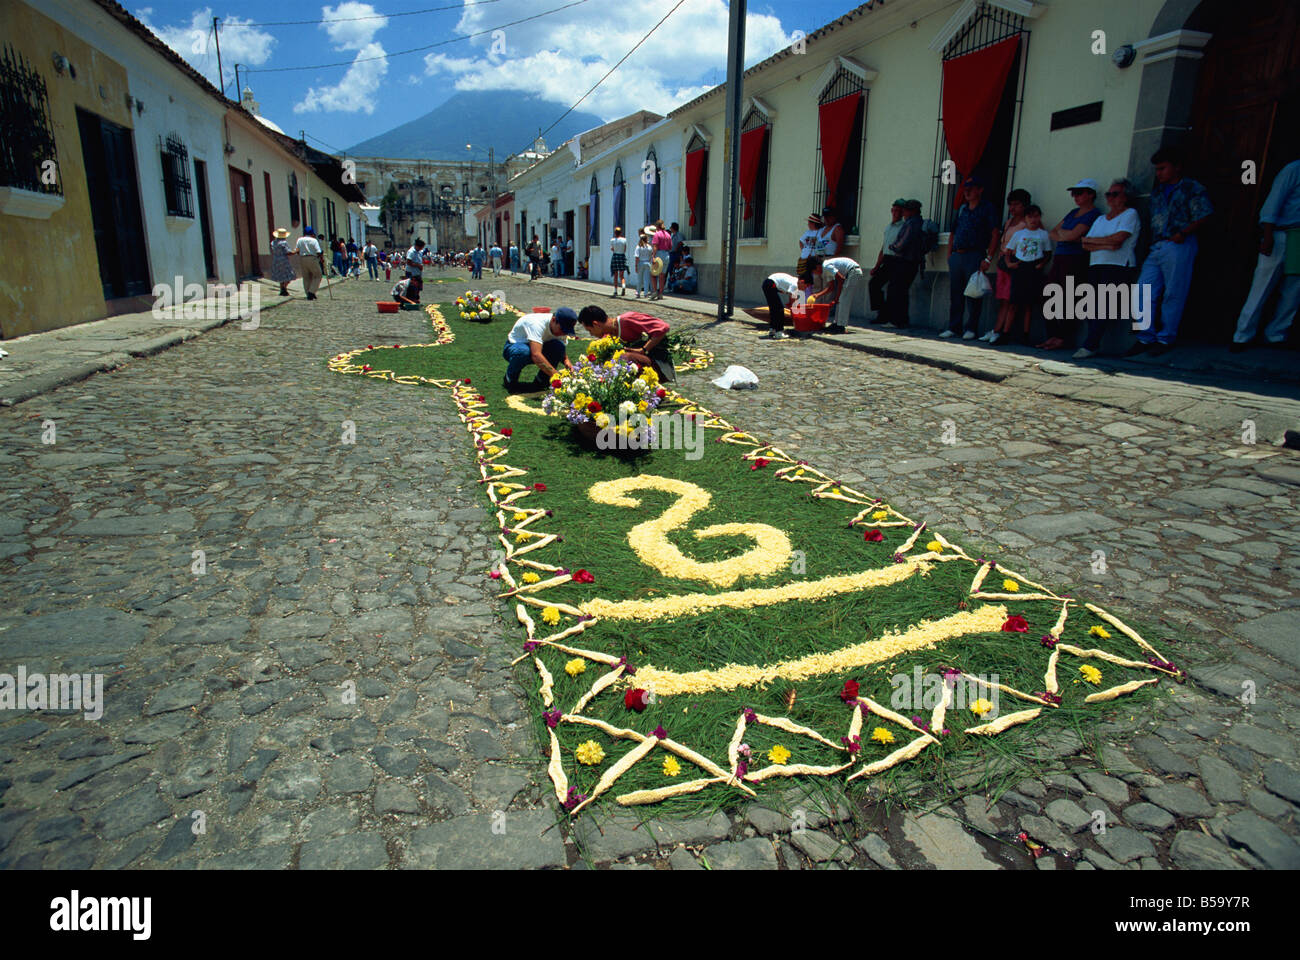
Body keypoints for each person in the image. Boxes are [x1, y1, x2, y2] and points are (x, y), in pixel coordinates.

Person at [1127, 146, 1214, 356]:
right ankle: (1144, 336)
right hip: (1157, 245)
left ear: (1177, 167)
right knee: (1143, 290)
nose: (1159, 173)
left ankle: (1166, 338)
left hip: (1179, 243)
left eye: (1163, 168)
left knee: (1174, 292)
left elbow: (1204, 214)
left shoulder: (1191, 188)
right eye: (1157, 169)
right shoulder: (1157, 192)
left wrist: (1183, 233)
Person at [1231, 158, 1300, 352]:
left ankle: (1276, 334)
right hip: (1281, 233)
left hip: (1299, 235)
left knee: (1293, 290)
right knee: (1262, 285)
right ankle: (1242, 335)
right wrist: (1267, 235)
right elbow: (1273, 203)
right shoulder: (1293, 169)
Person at [1074, 178, 1142, 358]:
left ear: (1125, 197)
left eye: (1115, 194)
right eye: (1108, 194)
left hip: (1118, 265)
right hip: (1096, 264)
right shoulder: (1101, 219)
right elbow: (1084, 243)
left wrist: (1097, 242)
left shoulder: (1130, 214)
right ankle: (1091, 342)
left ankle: (1090, 344)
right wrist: (1106, 243)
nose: (1110, 198)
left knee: (1103, 306)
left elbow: (1119, 240)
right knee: (1091, 305)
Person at [1039, 179, 1103, 350]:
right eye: (1073, 193)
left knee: (1068, 298)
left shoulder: (1093, 214)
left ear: (1090, 194)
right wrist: (1065, 235)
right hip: (1060, 257)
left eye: (1079, 193)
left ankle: (1064, 337)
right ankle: (1052, 335)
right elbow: (1053, 232)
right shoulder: (1072, 212)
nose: (1075, 196)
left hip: (1075, 259)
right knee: (1049, 294)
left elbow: (1074, 235)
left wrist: (1065, 235)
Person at [943, 177, 1000, 340]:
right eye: (965, 189)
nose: (967, 192)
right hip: (957, 255)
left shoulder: (987, 208)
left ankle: (971, 328)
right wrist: (949, 254)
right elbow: (953, 232)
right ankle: (954, 327)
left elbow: (995, 233)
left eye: (971, 188)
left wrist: (988, 258)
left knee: (974, 293)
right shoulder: (962, 209)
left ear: (980, 190)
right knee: (955, 293)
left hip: (975, 254)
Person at [576, 305, 675, 382]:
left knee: (624, 358)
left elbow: (663, 327)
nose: (591, 334)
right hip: (643, 367)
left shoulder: (627, 320)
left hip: (659, 365)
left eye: (590, 330)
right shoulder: (608, 337)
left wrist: (643, 349)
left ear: (595, 324)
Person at [981, 188, 1030, 343]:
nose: (1012, 208)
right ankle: (996, 328)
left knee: (1011, 299)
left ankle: (1004, 332)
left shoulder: (1025, 224)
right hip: (1003, 263)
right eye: (1011, 205)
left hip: (1014, 263)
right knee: (1002, 299)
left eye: (1016, 205)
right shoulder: (1009, 222)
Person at [999, 204, 1053, 344]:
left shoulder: (1043, 234)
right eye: (1030, 216)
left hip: (1034, 268)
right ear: (1025, 218)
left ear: (1039, 217)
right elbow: (1008, 251)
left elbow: (1048, 252)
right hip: (1020, 267)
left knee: (1029, 304)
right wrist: (1009, 263)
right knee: (1013, 303)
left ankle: (1025, 335)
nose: (1033, 219)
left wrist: (1042, 263)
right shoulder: (1019, 234)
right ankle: (1005, 333)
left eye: (1036, 216)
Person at [503, 307, 578, 390]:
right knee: (523, 352)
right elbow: (536, 355)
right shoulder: (536, 324)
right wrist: (556, 375)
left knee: (559, 347)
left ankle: (542, 381)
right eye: (562, 329)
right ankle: (510, 379)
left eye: (566, 331)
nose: (563, 333)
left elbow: (561, 348)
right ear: (553, 320)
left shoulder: (560, 327)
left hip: (538, 346)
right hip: (515, 347)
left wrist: (566, 361)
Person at [883, 200, 925, 326]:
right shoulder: (918, 222)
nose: (903, 213)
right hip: (912, 261)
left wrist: (893, 247)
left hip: (905, 261)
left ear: (911, 211)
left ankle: (897, 320)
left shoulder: (911, 224)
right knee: (901, 290)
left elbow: (903, 242)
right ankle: (900, 319)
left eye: (905, 210)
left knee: (897, 291)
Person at [868, 200, 907, 323]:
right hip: (887, 259)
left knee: (893, 290)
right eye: (894, 210)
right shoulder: (888, 227)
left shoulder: (904, 227)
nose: (895, 213)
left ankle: (888, 317)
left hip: (898, 261)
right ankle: (882, 312)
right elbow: (883, 248)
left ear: (902, 212)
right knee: (874, 284)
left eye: (898, 210)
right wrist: (876, 266)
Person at [812, 255, 862, 334]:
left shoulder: (826, 266)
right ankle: (836, 323)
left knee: (843, 300)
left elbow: (841, 279)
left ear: (817, 266)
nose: (816, 274)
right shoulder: (826, 268)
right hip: (849, 273)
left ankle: (841, 326)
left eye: (814, 271)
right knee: (840, 300)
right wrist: (818, 295)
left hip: (853, 272)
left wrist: (837, 297)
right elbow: (831, 287)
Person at [761, 270, 812, 340]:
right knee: (779, 310)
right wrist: (793, 312)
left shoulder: (795, 283)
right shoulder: (795, 284)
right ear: (802, 282)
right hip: (770, 284)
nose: (805, 289)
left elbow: (792, 298)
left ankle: (772, 330)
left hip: (768, 284)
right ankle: (779, 332)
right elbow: (792, 299)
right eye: (806, 287)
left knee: (774, 309)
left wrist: (791, 305)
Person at [294, 226, 325, 300]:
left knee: (306, 277)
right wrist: (321, 259)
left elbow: (297, 250)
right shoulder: (314, 240)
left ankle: (308, 292)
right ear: (312, 233)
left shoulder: (300, 240)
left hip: (302, 258)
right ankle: (311, 291)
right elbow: (318, 251)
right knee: (318, 275)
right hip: (312, 258)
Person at [270, 228, 295, 296]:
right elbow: (288, 252)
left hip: (276, 260)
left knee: (281, 276)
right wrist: (295, 252)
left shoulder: (273, 242)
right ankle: (284, 288)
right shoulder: (284, 243)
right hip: (284, 260)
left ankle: (282, 290)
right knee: (289, 275)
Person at [651, 220, 673, 299]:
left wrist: (653, 256)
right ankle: (661, 293)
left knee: (653, 274)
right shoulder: (668, 235)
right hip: (666, 255)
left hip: (659, 254)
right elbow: (670, 247)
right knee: (662, 276)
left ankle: (655, 291)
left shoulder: (657, 234)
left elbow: (655, 246)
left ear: (657, 226)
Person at [797, 213, 823, 277]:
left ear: (813, 223)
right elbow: (801, 241)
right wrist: (803, 250)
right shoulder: (807, 232)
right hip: (804, 259)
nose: (808, 224)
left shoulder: (821, 232)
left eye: (809, 223)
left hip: (813, 260)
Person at [634, 230, 656, 299]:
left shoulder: (638, 247)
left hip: (641, 262)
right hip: (647, 263)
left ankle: (638, 292)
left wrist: (636, 265)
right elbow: (651, 255)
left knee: (639, 279)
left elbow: (637, 257)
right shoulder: (649, 247)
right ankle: (646, 293)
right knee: (647, 279)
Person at [404, 237, 426, 302]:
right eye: (421, 247)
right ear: (417, 246)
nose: (422, 249)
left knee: (418, 287)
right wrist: (418, 265)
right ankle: (410, 301)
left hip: (417, 272)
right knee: (412, 287)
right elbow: (408, 262)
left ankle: (416, 299)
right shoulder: (411, 252)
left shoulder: (419, 251)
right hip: (411, 272)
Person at [609, 226, 629, 297]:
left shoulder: (612, 240)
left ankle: (615, 291)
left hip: (615, 256)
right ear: (621, 232)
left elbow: (612, 249)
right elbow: (625, 249)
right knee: (621, 275)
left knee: (615, 275)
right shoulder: (624, 240)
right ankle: (623, 286)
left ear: (615, 233)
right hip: (622, 256)